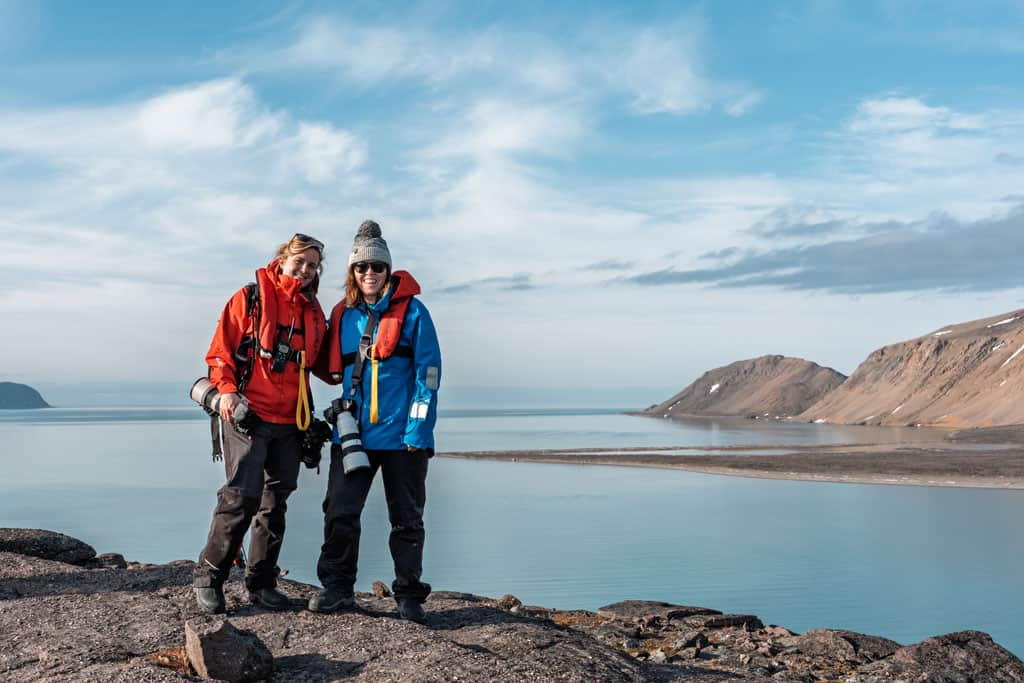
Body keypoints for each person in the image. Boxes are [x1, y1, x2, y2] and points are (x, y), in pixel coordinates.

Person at [309, 220, 441, 623]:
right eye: (361, 266)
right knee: (339, 513)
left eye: (377, 266)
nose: (370, 273)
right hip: (354, 435)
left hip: (404, 438)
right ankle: (337, 588)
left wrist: (418, 429)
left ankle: (408, 593)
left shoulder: (414, 313)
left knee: (407, 520)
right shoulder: (341, 314)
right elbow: (317, 361)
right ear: (352, 271)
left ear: (388, 270)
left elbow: (428, 377)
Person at [193, 233, 327, 614]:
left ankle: (262, 582)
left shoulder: (313, 313)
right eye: (299, 261)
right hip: (247, 414)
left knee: (275, 502)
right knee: (242, 496)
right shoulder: (249, 298)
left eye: (312, 265)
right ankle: (209, 576)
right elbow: (220, 353)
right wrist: (227, 392)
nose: (305, 270)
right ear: (282, 259)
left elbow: (326, 365)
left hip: (291, 421)